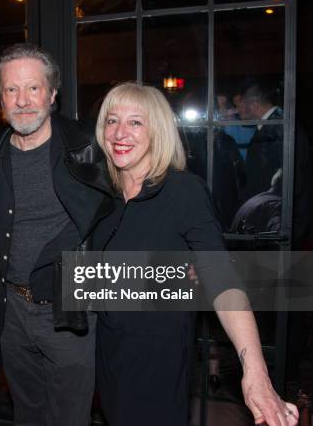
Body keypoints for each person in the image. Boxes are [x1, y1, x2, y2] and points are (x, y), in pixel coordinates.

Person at [91, 82, 298, 426]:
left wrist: (256, 373)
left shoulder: (182, 191)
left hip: (158, 359)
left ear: (157, 131)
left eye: (136, 122)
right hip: (108, 354)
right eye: (112, 120)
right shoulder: (103, 195)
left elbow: (222, 280)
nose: (120, 132)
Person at [0, 43, 109, 426]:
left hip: (70, 298)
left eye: (33, 88)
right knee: (28, 413)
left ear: (52, 95)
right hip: (12, 306)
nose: (22, 101)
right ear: (0, 99)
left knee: (70, 417)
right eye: (11, 90)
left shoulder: (89, 146)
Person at [237, 83, 283, 198]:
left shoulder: (276, 127)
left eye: (243, 106)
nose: (238, 111)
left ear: (255, 106)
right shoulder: (274, 124)